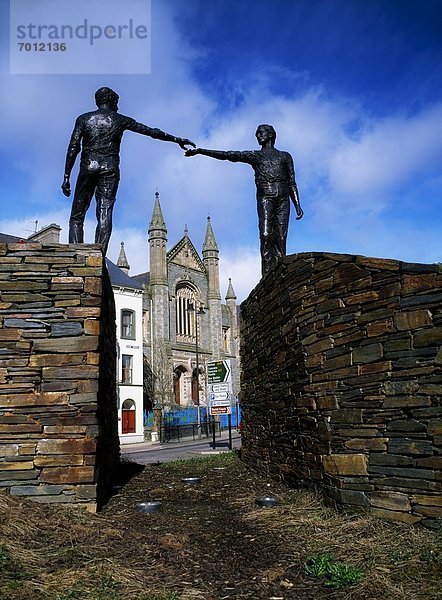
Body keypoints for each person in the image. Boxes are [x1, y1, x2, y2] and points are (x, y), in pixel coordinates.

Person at [62, 87, 195, 254]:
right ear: (111, 101)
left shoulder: (83, 119)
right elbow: (151, 132)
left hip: (88, 166)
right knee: (104, 211)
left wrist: (66, 176)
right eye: (116, 102)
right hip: (109, 168)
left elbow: (73, 148)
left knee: (77, 215)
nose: (117, 106)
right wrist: (177, 140)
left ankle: (75, 254)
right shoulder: (119, 120)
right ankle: (99, 256)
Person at [185, 124, 303, 274]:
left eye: (261, 133)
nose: (258, 136)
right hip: (266, 197)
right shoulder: (255, 156)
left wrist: (297, 205)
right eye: (257, 134)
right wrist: (201, 151)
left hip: (283, 199)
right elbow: (229, 155)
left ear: (271, 135)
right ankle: (267, 276)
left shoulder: (285, 156)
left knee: (281, 237)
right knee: (266, 234)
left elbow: (292, 181)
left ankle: (280, 272)